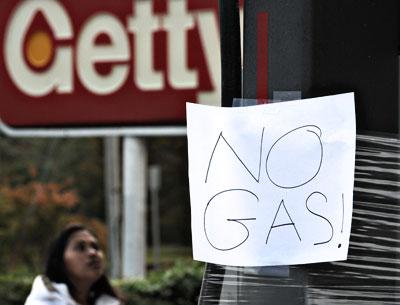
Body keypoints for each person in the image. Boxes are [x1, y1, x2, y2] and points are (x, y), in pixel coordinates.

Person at [24, 224, 122, 305]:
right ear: (59, 261)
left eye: (95, 247)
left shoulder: (109, 302)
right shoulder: (43, 301)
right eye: (81, 247)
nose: (93, 253)